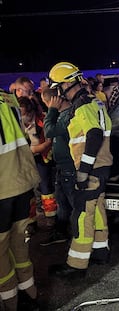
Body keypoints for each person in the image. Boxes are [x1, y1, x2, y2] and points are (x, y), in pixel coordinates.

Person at [47, 61, 113, 279]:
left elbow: (93, 134)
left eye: (57, 86)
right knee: (98, 209)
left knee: (82, 214)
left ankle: (76, 265)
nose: (56, 91)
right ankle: (101, 251)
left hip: (91, 168)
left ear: (66, 84)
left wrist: (83, 170)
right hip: (102, 165)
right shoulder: (94, 101)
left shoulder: (82, 105)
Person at [0, 90, 41, 310]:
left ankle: (11, 303)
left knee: (0, 251)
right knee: (19, 243)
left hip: (2, 189)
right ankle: (31, 294)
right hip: (22, 182)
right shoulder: (8, 99)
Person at [41, 87, 75, 246]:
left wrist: (51, 111)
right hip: (62, 167)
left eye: (47, 103)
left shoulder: (67, 115)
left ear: (54, 100)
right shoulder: (61, 115)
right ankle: (61, 232)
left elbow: (49, 131)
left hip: (70, 167)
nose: (47, 107)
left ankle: (81, 236)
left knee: (74, 204)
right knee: (62, 203)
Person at [18, 96, 57, 229]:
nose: (24, 117)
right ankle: (31, 222)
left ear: (30, 111)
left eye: (25, 114)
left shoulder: (42, 120)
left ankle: (51, 218)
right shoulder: (16, 123)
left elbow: (49, 141)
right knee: (29, 192)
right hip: (25, 160)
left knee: (46, 189)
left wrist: (36, 149)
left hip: (42, 158)